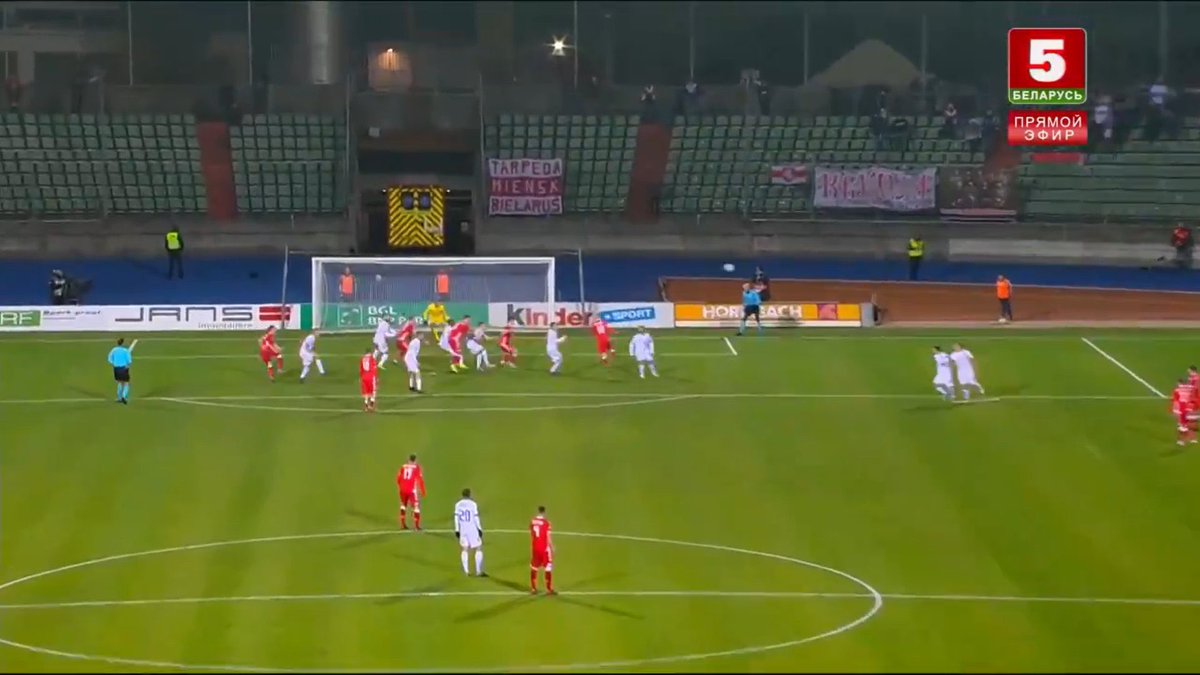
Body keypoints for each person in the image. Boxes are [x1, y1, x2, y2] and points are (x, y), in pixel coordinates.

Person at [453, 488, 485, 577]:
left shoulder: (458, 505)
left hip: (463, 529)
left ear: (462, 495)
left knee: (464, 549)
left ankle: (466, 571)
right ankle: (478, 571)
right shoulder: (473, 504)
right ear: (469, 495)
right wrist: (480, 529)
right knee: (478, 547)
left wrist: (457, 530)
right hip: (472, 529)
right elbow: (476, 517)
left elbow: (456, 518)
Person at [530, 506, 555, 595]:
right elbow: (548, 537)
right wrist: (552, 547)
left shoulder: (532, 522)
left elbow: (532, 534)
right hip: (544, 549)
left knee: (534, 567)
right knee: (548, 567)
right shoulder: (546, 523)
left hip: (535, 548)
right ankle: (549, 589)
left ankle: (533, 588)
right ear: (544, 512)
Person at [397, 454, 426, 530]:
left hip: (402, 489)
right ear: (415, 460)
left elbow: (398, 478)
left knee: (403, 505)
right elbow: (420, 480)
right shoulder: (416, 467)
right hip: (411, 490)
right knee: (416, 507)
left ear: (409, 459)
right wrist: (423, 491)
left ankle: (403, 525)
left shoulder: (403, 466)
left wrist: (401, 486)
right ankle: (416, 526)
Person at [1172, 377, 1197, 446]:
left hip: (1182, 409)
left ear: (1179, 383)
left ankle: (1182, 441)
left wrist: (1175, 411)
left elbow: (1176, 401)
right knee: (1189, 424)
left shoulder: (1177, 390)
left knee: (1182, 426)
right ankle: (1193, 439)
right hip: (1190, 408)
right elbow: (1193, 388)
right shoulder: (1189, 388)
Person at [107, 337, 133, 404]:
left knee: (120, 382)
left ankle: (119, 398)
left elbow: (109, 358)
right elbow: (129, 361)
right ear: (123, 343)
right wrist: (128, 366)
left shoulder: (114, 350)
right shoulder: (125, 350)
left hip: (116, 369)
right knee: (126, 383)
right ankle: (124, 396)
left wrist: (113, 363)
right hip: (124, 368)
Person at [359, 348, 378, 413]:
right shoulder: (372, 359)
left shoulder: (362, 359)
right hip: (371, 376)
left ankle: (366, 407)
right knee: (373, 391)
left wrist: (361, 377)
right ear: (370, 353)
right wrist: (376, 377)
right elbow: (374, 369)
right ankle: (371, 406)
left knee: (366, 392)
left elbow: (361, 370)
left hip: (364, 376)